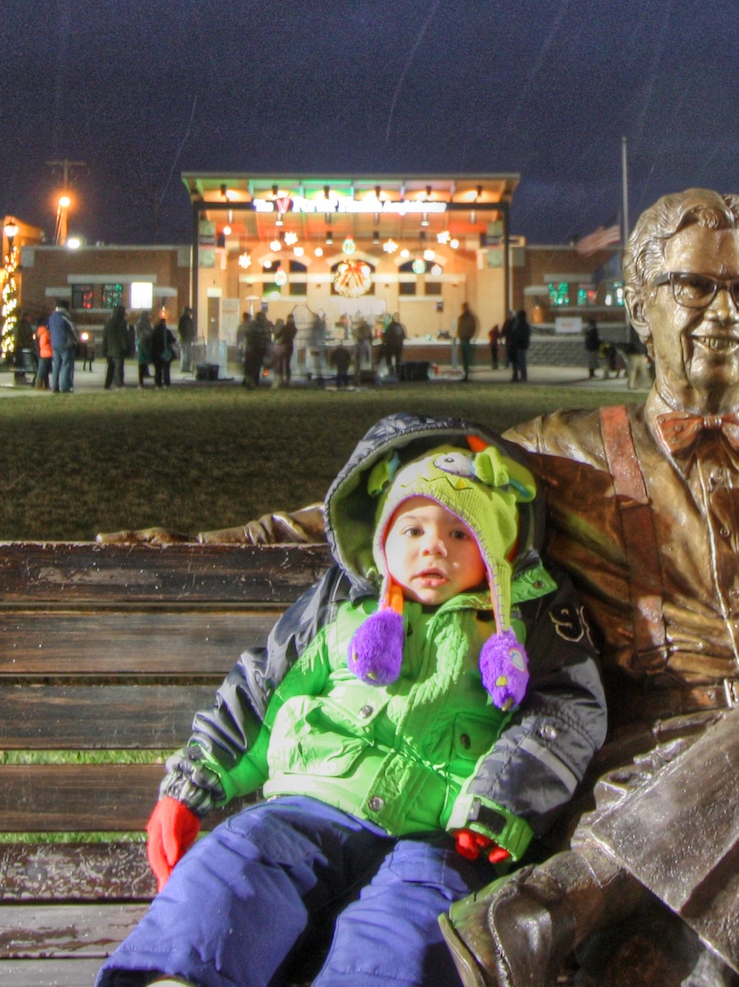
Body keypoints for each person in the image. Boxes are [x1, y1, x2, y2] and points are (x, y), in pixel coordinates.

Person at [142, 191, 739, 987]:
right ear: (638, 308)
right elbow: (412, 506)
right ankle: (635, 918)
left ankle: (576, 900)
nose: (724, 311)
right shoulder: (562, 454)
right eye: (694, 284)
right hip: (660, 796)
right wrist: (194, 544)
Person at [102, 421, 607, 987]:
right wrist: (196, 779)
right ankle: (176, 977)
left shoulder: (529, 619)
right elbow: (265, 686)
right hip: (313, 799)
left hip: (439, 833)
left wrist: (501, 802)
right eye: (412, 529)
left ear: (499, 547)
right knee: (235, 865)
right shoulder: (345, 604)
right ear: (385, 539)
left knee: (416, 928)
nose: (432, 546)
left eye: (461, 534)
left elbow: (563, 713)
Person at [48, 301, 78, 394]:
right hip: (65, 344)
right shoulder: (65, 317)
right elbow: (73, 329)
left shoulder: (51, 317)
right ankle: (65, 386)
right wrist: (76, 341)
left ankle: (54, 386)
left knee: (56, 365)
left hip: (54, 344)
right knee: (66, 365)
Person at [105, 308, 134, 390]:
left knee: (111, 368)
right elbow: (122, 336)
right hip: (118, 348)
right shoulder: (121, 323)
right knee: (119, 367)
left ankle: (108, 384)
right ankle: (119, 384)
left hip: (110, 348)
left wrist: (105, 348)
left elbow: (105, 336)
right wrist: (126, 347)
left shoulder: (109, 322)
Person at [244, 308, 273, 389]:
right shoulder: (265, 325)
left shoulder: (252, 325)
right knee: (258, 365)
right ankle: (256, 381)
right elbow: (268, 337)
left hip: (253, 348)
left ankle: (251, 381)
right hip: (261, 348)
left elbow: (247, 335)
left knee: (252, 366)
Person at [506, 308, 532, 383]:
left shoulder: (520, 325)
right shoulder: (523, 325)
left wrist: (514, 342)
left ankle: (521, 376)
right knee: (518, 362)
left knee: (519, 362)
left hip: (519, 346)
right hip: (520, 346)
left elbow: (517, 335)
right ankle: (519, 376)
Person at [276, 311, 299, 389]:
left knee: (283, 364)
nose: (290, 320)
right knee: (285, 364)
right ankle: (286, 380)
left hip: (284, 347)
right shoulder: (293, 328)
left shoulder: (286, 328)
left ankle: (282, 379)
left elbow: (279, 335)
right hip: (288, 347)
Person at [458, 304, 479, 380]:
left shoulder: (470, 318)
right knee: (464, 359)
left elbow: (473, 327)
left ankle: (467, 374)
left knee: (467, 358)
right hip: (463, 339)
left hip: (467, 339)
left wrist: (471, 336)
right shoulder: (462, 317)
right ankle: (465, 374)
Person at [35, 315, 55, 391]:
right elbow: (43, 343)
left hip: (44, 353)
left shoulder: (40, 332)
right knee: (43, 369)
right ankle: (39, 384)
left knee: (44, 370)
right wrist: (50, 347)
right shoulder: (45, 333)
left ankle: (45, 384)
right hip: (46, 353)